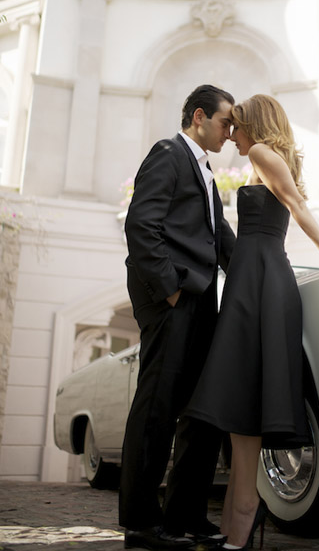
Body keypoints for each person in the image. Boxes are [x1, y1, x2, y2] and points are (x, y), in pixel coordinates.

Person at [185, 94, 319, 550]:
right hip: (251, 279)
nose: (231, 134)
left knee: (245, 399)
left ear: (253, 125)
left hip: (261, 284)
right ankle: (236, 527)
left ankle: (239, 526)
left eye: (235, 125)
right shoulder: (264, 158)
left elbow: (296, 205)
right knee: (243, 402)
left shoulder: (262, 153)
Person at [119, 84, 236, 551]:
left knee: (202, 414)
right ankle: (141, 526)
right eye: (226, 122)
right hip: (174, 299)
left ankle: (183, 515)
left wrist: (263, 272)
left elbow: (220, 236)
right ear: (200, 117)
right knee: (157, 412)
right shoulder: (168, 153)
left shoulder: (206, 171)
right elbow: (141, 225)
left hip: (202, 300)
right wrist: (168, 290)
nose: (230, 132)